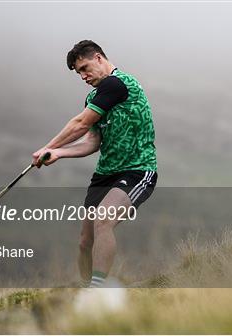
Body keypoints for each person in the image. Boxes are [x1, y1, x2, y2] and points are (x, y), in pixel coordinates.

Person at [32, 40, 157, 288]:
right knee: (84, 242)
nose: (83, 76)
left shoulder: (117, 83)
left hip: (137, 170)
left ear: (99, 58)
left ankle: (96, 290)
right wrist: (59, 153)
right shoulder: (95, 95)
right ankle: (84, 290)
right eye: (79, 72)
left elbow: (80, 124)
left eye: (85, 68)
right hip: (104, 175)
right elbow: (92, 141)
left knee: (103, 219)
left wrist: (49, 145)